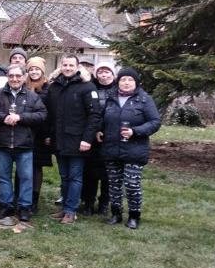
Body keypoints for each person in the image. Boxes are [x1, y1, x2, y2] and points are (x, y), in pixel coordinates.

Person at [0, 64, 47, 224]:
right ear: (7, 77)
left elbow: (42, 115)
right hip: (2, 143)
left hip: (24, 144)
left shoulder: (32, 97)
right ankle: (6, 205)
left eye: (18, 76)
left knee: (26, 177)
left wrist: (21, 117)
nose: (15, 79)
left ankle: (25, 207)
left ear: (24, 77)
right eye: (11, 76)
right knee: (3, 177)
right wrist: (3, 117)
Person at [97, 68, 161, 229]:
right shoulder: (111, 98)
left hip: (134, 149)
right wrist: (99, 129)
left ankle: (134, 216)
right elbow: (103, 117)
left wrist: (136, 131)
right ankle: (116, 213)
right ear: (118, 82)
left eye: (130, 80)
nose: (126, 83)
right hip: (111, 148)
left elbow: (155, 122)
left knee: (132, 184)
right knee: (114, 184)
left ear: (136, 82)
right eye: (123, 80)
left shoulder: (144, 99)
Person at [45, 55, 101, 224]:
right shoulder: (54, 87)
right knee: (64, 176)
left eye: (71, 65)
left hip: (78, 141)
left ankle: (71, 210)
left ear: (77, 67)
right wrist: (48, 134)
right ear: (60, 66)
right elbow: (49, 114)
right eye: (65, 65)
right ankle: (64, 208)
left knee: (75, 176)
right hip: (59, 140)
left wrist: (87, 139)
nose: (68, 68)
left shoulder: (87, 87)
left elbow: (94, 115)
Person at [81, 60, 116, 216]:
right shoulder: (91, 88)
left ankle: (104, 203)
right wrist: (96, 130)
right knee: (90, 173)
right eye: (100, 71)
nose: (103, 74)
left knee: (109, 173)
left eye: (107, 71)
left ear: (113, 74)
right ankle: (88, 202)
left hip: (113, 138)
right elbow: (91, 112)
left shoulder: (118, 90)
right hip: (93, 137)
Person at [25, 56, 52, 213]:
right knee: (23, 166)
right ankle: (22, 196)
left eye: (37, 69)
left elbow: (53, 112)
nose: (34, 72)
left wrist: (49, 134)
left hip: (41, 134)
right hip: (25, 132)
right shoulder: (23, 85)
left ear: (42, 71)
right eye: (31, 69)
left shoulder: (49, 88)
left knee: (36, 167)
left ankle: (34, 199)